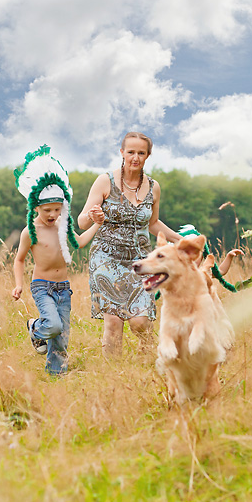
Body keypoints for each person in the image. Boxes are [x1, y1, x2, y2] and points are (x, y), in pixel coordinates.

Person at [77, 132, 182, 356]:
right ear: (122, 152)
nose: (135, 157)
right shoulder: (105, 181)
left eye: (141, 153)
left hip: (140, 260)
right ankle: (113, 378)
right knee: (113, 323)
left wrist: (180, 240)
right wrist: (93, 217)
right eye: (131, 152)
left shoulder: (154, 187)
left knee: (140, 322)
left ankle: (152, 359)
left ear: (148, 156)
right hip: (106, 258)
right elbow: (81, 221)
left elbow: (153, 223)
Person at [11, 145, 105, 375]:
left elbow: (80, 242)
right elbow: (19, 260)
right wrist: (19, 284)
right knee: (52, 325)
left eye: (57, 209)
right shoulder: (30, 231)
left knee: (61, 336)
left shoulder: (64, 226)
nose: (52, 215)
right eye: (47, 210)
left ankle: (56, 376)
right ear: (36, 208)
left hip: (63, 288)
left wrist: (97, 225)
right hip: (42, 286)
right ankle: (35, 328)